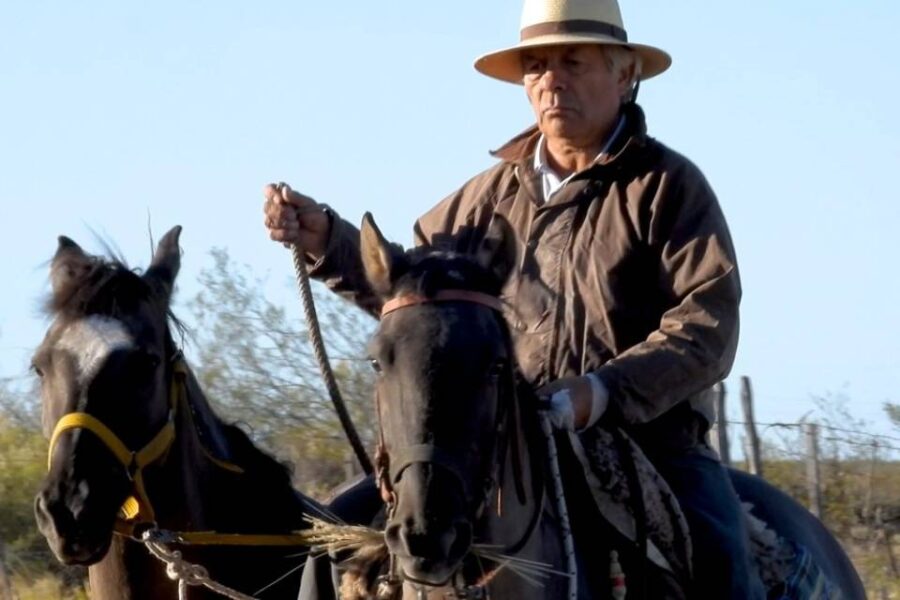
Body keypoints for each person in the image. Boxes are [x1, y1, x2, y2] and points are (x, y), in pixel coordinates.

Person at [263, 0, 764, 596]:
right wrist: (329, 240)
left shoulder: (667, 187)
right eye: (536, 67)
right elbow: (419, 309)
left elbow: (705, 325)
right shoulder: (478, 200)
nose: (552, 81)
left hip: (649, 438)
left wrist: (601, 391)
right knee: (331, 546)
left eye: (573, 62)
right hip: (486, 436)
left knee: (721, 558)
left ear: (624, 72)